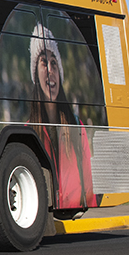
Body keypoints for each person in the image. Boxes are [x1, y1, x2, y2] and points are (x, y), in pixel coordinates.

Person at [28, 23, 94, 209]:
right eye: (43, 62)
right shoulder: (28, 130)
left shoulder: (75, 125)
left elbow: (88, 184)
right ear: (35, 73)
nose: (50, 69)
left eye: (54, 63)